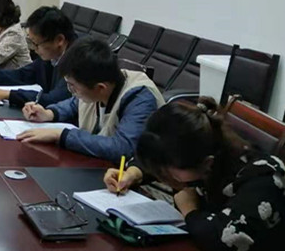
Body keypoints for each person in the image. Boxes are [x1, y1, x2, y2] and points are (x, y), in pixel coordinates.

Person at [104, 98, 284, 251]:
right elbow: (158, 155)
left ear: (206, 163)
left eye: (168, 174)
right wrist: (133, 173)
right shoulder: (200, 145)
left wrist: (189, 210)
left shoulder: (263, 179)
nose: (164, 177)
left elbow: (225, 240)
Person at [15, 36, 164, 162]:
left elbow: (122, 148)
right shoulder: (100, 81)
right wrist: (49, 113)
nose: (71, 91)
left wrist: (61, 135)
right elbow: (75, 103)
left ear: (100, 88)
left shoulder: (140, 98)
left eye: (73, 86)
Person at [0, 5, 77, 107]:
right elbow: (23, 75)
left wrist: (8, 95)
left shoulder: (77, 61)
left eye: (36, 44)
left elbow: (54, 99)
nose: (34, 49)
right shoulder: (52, 56)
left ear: (59, 40)